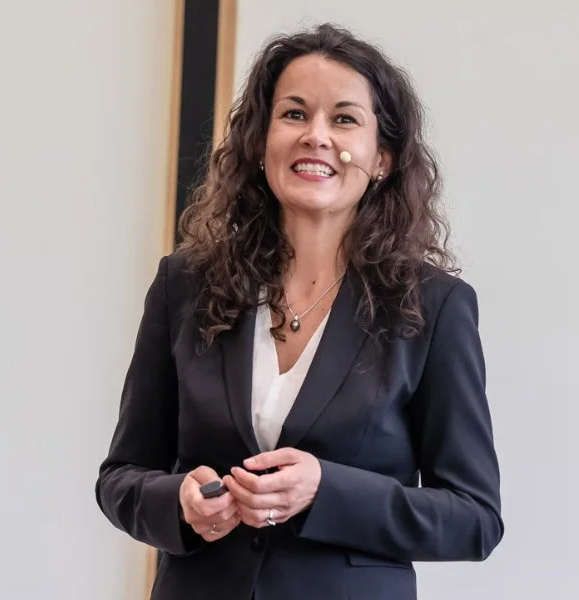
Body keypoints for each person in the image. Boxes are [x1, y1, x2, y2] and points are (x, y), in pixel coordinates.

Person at [95, 22, 503, 600]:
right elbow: (121, 478)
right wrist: (178, 503)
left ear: (381, 157)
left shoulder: (434, 307)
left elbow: (474, 517)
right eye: (293, 114)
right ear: (262, 143)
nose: (315, 135)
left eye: (343, 118)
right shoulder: (183, 285)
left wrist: (325, 490)